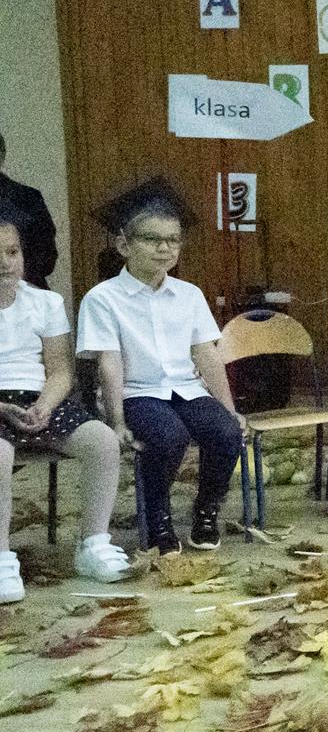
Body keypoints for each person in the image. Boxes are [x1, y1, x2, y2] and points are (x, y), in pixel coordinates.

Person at [77, 177, 246, 555]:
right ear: (124, 245)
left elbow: (207, 355)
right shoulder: (102, 298)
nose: (165, 248)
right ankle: (157, 518)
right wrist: (117, 421)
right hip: (136, 393)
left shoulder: (189, 295)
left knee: (225, 432)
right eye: (152, 239)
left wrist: (230, 409)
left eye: (173, 240)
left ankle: (206, 510)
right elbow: (109, 363)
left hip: (185, 388)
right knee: (168, 436)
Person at [0, 204, 130, 601]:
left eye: (12, 252)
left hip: (37, 397)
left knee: (102, 441)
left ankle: (93, 544)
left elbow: (60, 371)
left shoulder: (45, 303)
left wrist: (44, 404)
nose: (5, 263)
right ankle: (1, 558)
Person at [0, 132, 59, 290]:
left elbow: (47, 258)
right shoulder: (30, 197)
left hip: (26, 293)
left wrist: (10, 279)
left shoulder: (28, 199)